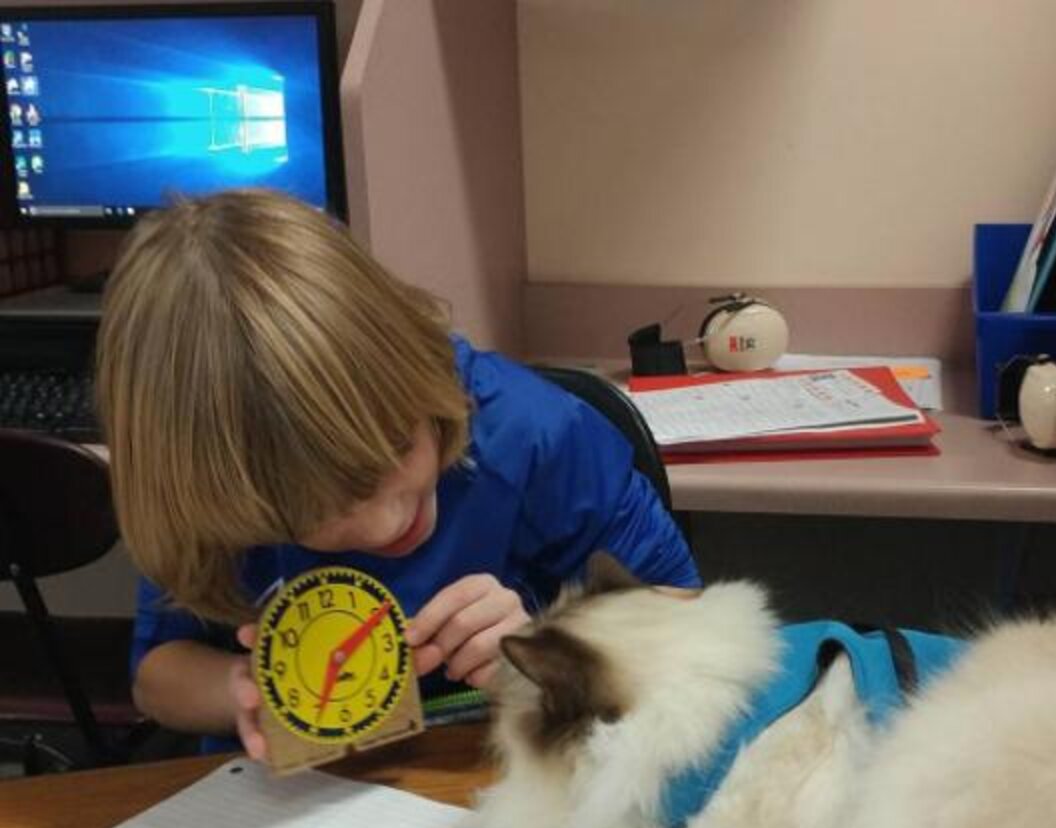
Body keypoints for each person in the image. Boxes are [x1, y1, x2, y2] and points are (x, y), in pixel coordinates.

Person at [95, 188, 698, 758]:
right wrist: (244, 688)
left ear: (414, 370)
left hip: (498, 784)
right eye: (313, 516)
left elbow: (689, 618)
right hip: (288, 813)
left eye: (390, 454)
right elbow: (156, 674)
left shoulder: (536, 434)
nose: (385, 524)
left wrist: (549, 654)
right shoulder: (219, 482)